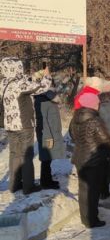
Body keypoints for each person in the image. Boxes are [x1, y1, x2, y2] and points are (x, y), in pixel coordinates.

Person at [0, 57, 52, 194]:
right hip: (24, 125)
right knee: (26, 155)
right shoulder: (20, 84)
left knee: (14, 154)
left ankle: (14, 184)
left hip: (10, 125)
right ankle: (28, 186)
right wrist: (47, 75)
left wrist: (36, 75)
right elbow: (42, 87)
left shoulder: (3, 83)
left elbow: (27, 82)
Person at [69, 93, 110, 228]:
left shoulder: (74, 118)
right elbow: (105, 140)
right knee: (93, 191)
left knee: (83, 189)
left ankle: (85, 218)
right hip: (94, 160)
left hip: (79, 158)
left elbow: (72, 136)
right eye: (97, 103)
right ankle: (92, 220)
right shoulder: (95, 120)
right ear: (93, 105)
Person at [34, 89, 65, 190]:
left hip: (47, 131)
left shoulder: (42, 100)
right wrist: (49, 135)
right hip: (47, 132)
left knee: (48, 157)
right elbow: (45, 120)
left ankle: (47, 180)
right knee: (46, 157)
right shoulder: (44, 102)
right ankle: (46, 182)